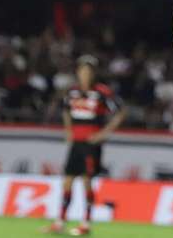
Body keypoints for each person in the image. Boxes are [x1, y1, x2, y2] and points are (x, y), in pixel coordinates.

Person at [43, 55, 125, 236]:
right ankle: (60, 222)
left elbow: (120, 112)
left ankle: (86, 223)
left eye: (88, 71)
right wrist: (68, 130)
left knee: (87, 181)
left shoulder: (102, 92)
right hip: (76, 143)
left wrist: (104, 133)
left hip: (91, 145)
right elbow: (66, 111)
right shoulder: (72, 92)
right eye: (82, 71)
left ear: (93, 73)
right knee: (67, 181)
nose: (85, 74)